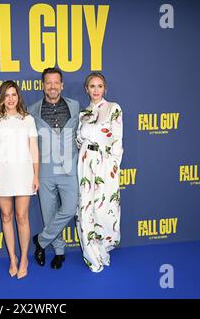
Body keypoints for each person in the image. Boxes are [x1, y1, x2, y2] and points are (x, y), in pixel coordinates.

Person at [0, 80, 39, 279]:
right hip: (1, 176)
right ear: (2, 98)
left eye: (13, 94)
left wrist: (36, 175)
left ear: (18, 97)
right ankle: (13, 258)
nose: (10, 99)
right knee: (6, 216)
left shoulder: (28, 120)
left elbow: (34, 149)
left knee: (22, 217)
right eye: (6, 95)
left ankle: (24, 257)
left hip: (24, 174)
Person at [28, 68, 80, 270]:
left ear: (62, 85)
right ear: (43, 85)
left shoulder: (75, 106)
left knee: (69, 208)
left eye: (56, 82)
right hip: (46, 169)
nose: (52, 86)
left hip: (69, 168)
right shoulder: (33, 110)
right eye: (48, 82)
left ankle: (40, 241)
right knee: (48, 213)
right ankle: (59, 252)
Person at [76, 72, 123, 273]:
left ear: (105, 89)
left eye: (99, 86)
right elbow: (79, 140)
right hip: (86, 162)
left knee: (105, 208)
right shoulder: (83, 114)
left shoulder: (114, 108)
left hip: (106, 165)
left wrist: (112, 166)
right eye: (92, 86)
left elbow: (117, 140)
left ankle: (104, 249)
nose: (96, 90)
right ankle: (91, 254)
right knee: (86, 208)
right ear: (86, 89)